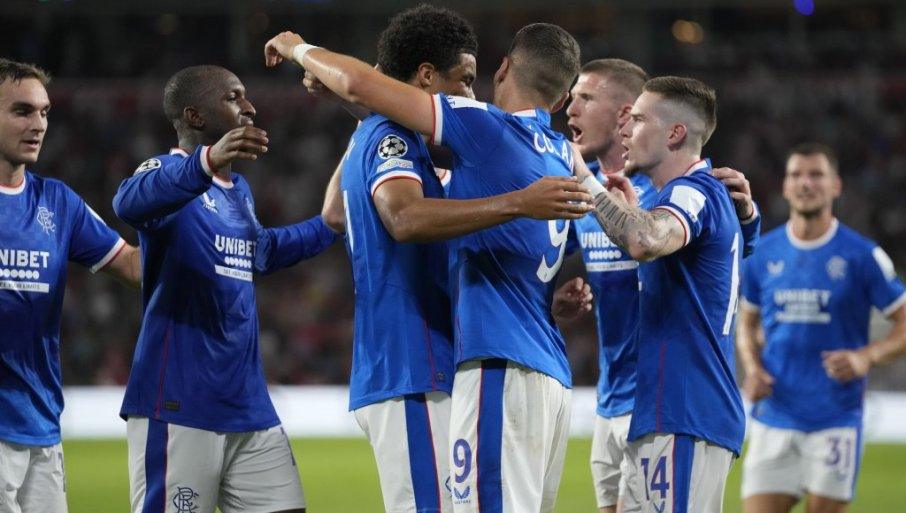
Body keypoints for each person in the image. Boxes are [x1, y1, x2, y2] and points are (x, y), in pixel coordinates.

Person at [266, 22, 585, 513]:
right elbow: (404, 218)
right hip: (414, 364)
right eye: (464, 80)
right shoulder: (391, 137)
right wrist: (518, 202)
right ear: (427, 76)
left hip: (421, 364)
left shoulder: (400, 141)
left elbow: (334, 213)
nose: (470, 95)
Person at [113, 65, 336, 513]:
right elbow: (128, 202)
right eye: (233, 97)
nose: (249, 107)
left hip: (248, 406)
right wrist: (206, 162)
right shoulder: (166, 171)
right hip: (180, 402)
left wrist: (330, 226)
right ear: (194, 115)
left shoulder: (239, 190)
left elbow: (260, 252)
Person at [560, 59, 762, 513]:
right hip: (648, 404)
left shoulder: (693, 191)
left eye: (637, 119)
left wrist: (587, 183)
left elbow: (645, 239)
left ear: (673, 134)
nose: (627, 130)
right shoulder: (653, 195)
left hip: (683, 405)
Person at [0, 58, 141, 513]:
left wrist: (185, 207)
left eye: (44, 112)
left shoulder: (58, 202)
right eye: (22, 111)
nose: (39, 124)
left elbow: (135, 267)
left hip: (41, 426)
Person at [737, 143, 906, 513]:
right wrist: (753, 369)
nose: (806, 183)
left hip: (835, 420)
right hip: (774, 414)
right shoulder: (763, 254)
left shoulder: (862, 256)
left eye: (816, 175)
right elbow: (745, 324)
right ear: (785, 186)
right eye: (796, 175)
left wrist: (866, 357)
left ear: (836, 186)